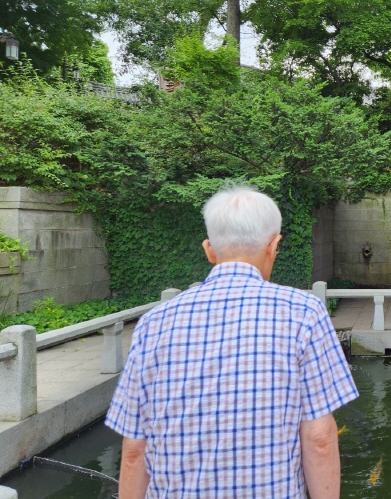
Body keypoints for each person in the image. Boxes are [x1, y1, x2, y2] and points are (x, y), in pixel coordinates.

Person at [106, 184, 358, 499]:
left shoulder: (153, 324)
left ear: (209, 250)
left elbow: (134, 449)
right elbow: (319, 438)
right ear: (274, 246)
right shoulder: (305, 314)